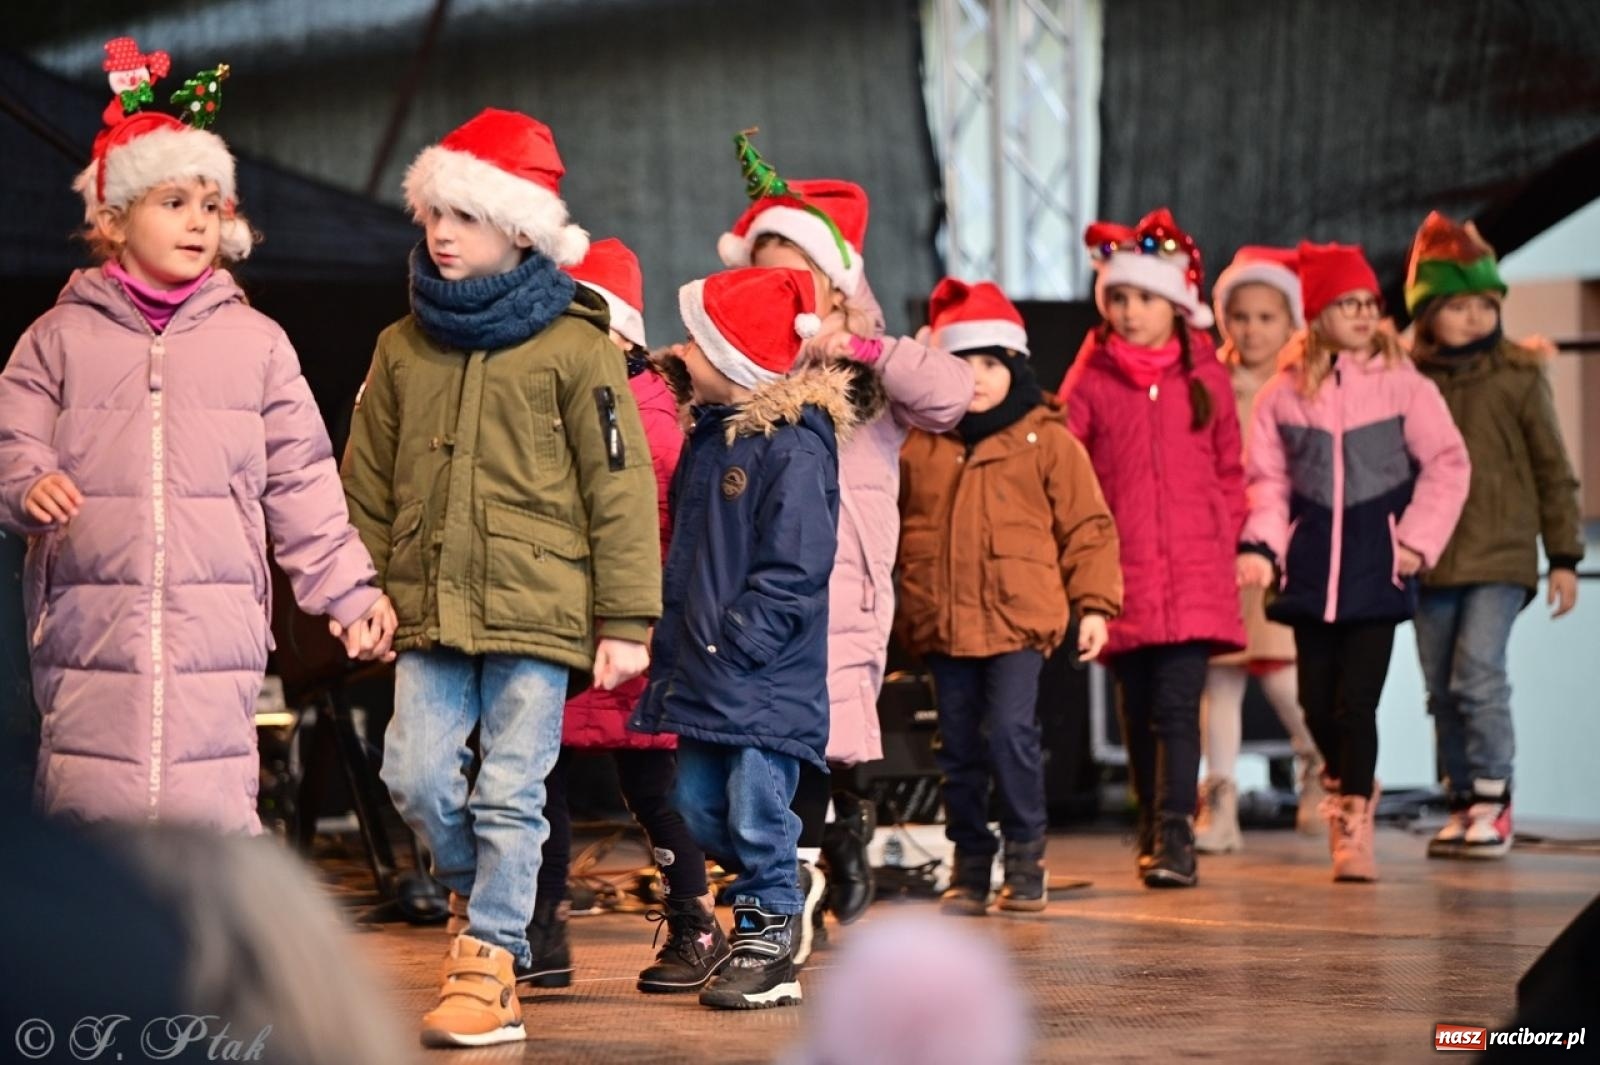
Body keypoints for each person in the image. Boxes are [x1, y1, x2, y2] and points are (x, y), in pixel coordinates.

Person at [0, 39, 394, 835]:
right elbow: (12, 435)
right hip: (87, 619)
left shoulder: (256, 343)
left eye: (210, 205)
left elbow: (304, 482)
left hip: (215, 627)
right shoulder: (58, 338)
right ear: (112, 221)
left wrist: (348, 593)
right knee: (90, 808)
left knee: (210, 808)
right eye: (171, 201)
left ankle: (205, 949)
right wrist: (27, 479)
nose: (197, 221)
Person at [341, 108, 661, 1046]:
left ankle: (489, 956)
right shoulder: (403, 347)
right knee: (416, 776)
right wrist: (360, 592)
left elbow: (620, 486)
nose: (441, 232)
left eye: (465, 215)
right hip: (429, 605)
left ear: (521, 227)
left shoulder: (579, 346)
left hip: (539, 608)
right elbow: (364, 479)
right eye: (433, 212)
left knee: (510, 791)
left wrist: (626, 617)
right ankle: (478, 902)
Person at [717, 135, 974, 942]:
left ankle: (843, 834)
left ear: (835, 283)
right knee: (766, 741)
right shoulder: (747, 367)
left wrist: (859, 345)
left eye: (800, 269)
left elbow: (950, 394)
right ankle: (787, 877)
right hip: (761, 586)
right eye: (768, 269)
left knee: (830, 736)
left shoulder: (875, 369)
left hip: (847, 586)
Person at [630, 266, 873, 1009]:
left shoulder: (793, 447)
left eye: (697, 346)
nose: (682, 355)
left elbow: (795, 564)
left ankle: (769, 935)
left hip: (758, 675)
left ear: (734, 360)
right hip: (705, 670)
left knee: (755, 806)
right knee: (701, 808)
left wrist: (737, 641)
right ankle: (779, 885)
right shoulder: (712, 438)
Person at [530, 238, 729, 994]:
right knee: (536, 782)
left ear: (622, 337)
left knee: (654, 789)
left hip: (635, 635)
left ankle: (696, 922)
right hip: (560, 628)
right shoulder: (562, 405)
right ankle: (541, 931)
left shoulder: (650, 418)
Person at [1238, 240, 1470, 882]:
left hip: (1378, 570)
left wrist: (1417, 540)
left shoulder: (1404, 387)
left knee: (1356, 703)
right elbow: (1266, 480)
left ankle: (1353, 820)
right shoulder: (1282, 395)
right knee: (1316, 704)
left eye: (1370, 302)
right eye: (1348, 304)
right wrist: (1262, 546)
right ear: (1317, 316)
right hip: (1308, 573)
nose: (1366, 313)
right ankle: (1346, 777)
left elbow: (1449, 464)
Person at [896, 278, 1120, 915]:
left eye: (991, 362)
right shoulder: (920, 444)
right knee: (957, 746)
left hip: (1018, 622)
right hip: (942, 621)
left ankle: (1026, 856)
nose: (978, 377)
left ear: (1015, 366)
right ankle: (969, 866)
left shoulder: (1045, 439)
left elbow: (1088, 526)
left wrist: (1096, 604)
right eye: (962, 363)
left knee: (1012, 735)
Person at [1061, 208, 1246, 889]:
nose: (1131, 311)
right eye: (1118, 298)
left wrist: (1231, 533)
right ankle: (1151, 823)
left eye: (1143, 297)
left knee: (1176, 704)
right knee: (1137, 709)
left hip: (1196, 567)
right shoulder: (1093, 377)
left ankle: (1175, 832)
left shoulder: (1207, 376)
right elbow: (1066, 459)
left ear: (1174, 302)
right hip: (1124, 571)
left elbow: (1231, 465)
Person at [1403, 212, 1583, 860]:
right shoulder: (1406, 379)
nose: (1476, 317)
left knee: (1478, 673)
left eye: (1486, 303)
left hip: (1500, 556)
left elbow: (1552, 467)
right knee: (1441, 685)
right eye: (1458, 305)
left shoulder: (1517, 374)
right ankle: (1461, 801)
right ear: (1427, 314)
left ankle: (1493, 797)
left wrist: (1563, 555)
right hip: (1428, 558)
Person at [1198, 246, 1324, 851]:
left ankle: (1321, 771)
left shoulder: (1305, 383)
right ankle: (1219, 803)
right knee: (1219, 679)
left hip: (1282, 549)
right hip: (1218, 546)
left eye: (1266, 317)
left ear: (1292, 322)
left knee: (1282, 675)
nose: (1250, 329)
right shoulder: (1208, 380)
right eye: (1239, 316)